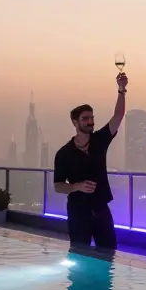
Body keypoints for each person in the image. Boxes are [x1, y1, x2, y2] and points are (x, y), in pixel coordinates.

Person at [53, 72, 128, 249]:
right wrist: (76, 186)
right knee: (79, 253)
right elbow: (58, 186)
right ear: (75, 122)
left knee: (109, 252)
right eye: (85, 119)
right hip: (78, 211)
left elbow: (118, 116)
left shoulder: (99, 140)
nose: (90, 122)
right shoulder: (64, 153)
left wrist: (121, 90)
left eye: (91, 118)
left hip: (101, 208)